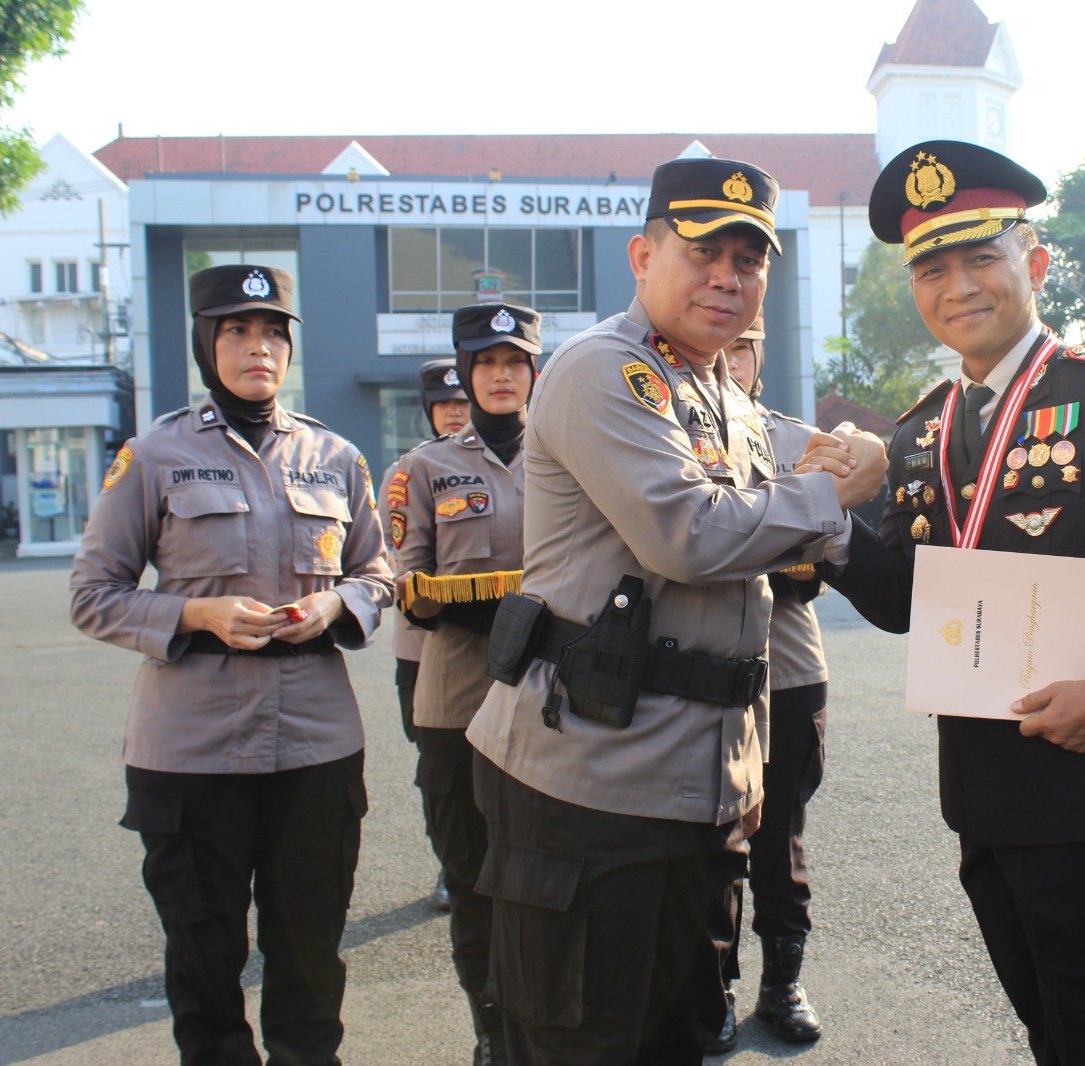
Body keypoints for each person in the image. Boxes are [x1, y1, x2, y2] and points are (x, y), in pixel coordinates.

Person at [818, 139, 1085, 1065]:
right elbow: (906, 600)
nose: (959, 285)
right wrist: (829, 527)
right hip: (983, 780)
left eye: (983, 256)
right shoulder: (927, 426)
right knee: (1045, 1022)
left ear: (1036, 262)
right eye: (933, 268)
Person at [463, 157, 888, 1063]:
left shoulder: (723, 397)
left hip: (700, 788)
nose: (728, 277)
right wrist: (834, 485)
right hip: (588, 786)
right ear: (642, 255)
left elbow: (819, 463)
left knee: (683, 1036)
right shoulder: (602, 373)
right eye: (704, 253)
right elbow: (688, 538)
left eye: (749, 258)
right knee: (582, 1041)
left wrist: (847, 461)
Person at [68, 264, 392, 1065]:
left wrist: (334, 607)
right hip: (191, 753)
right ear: (205, 344)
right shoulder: (154, 456)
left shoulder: (335, 456)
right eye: (237, 330)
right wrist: (193, 613)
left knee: (311, 951)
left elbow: (379, 575)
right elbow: (93, 594)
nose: (259, 347)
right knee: (204, 958)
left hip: (314, 746)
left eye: (274, 332)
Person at [390, 303, 540, 1065]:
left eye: (515, 362)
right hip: (456, 701)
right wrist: (489, 601)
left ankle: (540, 1024)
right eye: (487, 363)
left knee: (546, 877)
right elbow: (407, 583)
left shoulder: (570, 457)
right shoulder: (424, 468)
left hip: (552, 701)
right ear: (468, 373)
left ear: (534, 371)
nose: (502, 375)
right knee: (472, 876)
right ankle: (490, 1031)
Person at [712, 316, 828, 1051]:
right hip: (703, 669)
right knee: (713, 835)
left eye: (744, 345)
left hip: (787, 666)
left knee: (780, 832)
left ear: (761, 352)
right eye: (718, 345)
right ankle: (712, 985)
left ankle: (782, 979)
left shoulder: (801, 443)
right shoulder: (667, 426)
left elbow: (815, 560)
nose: (729, 360)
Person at [379, 357, 470, 914]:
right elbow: (396, 563)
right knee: (439, 767)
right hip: (423, 650)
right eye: (445, 406)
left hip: (502, 646)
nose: (456, 413)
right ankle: (450, 860)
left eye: (462, 403)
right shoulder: (410, 473)